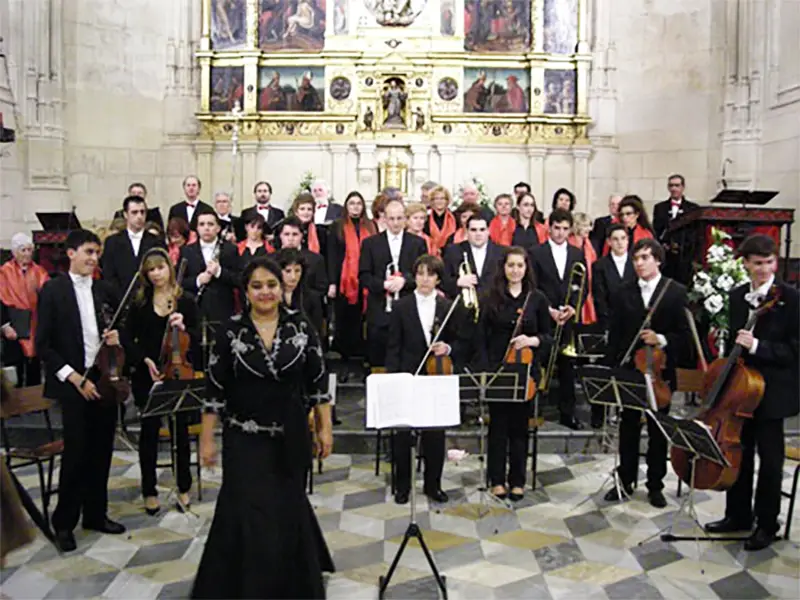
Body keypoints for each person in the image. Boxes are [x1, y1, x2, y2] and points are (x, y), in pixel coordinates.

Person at [192, 257, 334, 598]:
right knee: (247, 512)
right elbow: (215, 389)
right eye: (257, 286)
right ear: (246, 291)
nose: (265, 292)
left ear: (281, 286)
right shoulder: (230, 330)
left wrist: (325, 428)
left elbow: (318, 383)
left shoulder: (300, 326)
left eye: (271, 284)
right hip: (244, 438)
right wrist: (207, 438)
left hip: (291, 438)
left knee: (287, 509)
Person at [705, 234, 799, 551]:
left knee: (770, 462)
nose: (764, 269)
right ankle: (738, 516)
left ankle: (767, 523)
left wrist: (758, 346)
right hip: (741, 392)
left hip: (772, 392)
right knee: (738, 455)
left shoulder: (790, 298)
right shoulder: (736, 297)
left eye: (769, 262)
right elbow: (736, 341)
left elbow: (795, 350)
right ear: (745, 263)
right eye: (757, 263)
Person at [36, 229, 127, 552]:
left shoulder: (104, 289)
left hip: (103, 380)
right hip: (73, 385)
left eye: (97, 253)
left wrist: (117, 339)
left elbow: (118, 329)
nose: (94, 258)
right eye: (88, 251)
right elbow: (42, 346)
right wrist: (75, 378)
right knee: (75, 455)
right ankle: (64, 523)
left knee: (102, 452)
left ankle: (95, 514)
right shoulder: (53, 289)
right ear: (71, 253)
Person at [604, 238, 690, 508]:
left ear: (658, 260)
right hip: (631, 368)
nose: (639, 263)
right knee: (628, 426)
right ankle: (626, 479)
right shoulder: (623, 291)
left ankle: (655, 485)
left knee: (658, 429)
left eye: (644, 258)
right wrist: (612, 368)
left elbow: (685, 336)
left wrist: (661, 338)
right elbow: (615, 335)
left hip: (659, 371)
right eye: (636, 259)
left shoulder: (675, 292)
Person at [125, 248, 199, 515]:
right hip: (148, 375)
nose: (157, 274)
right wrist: (145, 360)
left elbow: (198, 340)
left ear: (170, 267)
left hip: (178, 373)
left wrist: (184, 328)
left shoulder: (186, 302)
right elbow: (127, 339)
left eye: (161, 268)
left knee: (181, 434)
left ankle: (183, 487)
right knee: (149, 434)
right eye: (151, 270)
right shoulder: (140, 303)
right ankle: (149, 490)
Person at [475, 247, 551, 501]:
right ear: (503, 268)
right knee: (498, 427)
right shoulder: (490, 296)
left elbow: (549, 337)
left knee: (520, 428)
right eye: (511, 265)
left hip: (526, 372)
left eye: (520, 265)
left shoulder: (537, 298)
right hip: (499, 370)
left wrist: (533, 340)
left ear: (526, 268)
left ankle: (517, 480)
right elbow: (482, 337)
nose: (515, 270)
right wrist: (486, 370)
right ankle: (497, 479)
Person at [385, 255, 458, 505]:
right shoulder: (401, 306)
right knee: (403, 436)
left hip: (436, 377)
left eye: (430, 274)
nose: (425, 279)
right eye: (420, 273)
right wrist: (395, 379)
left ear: (438, 278)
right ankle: (402, 486)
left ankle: (433, 484)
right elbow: (393, 346)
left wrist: (447, 348)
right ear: (414, 276)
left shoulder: (447, 307)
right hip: (408, 375)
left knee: (435, 435)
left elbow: (460, 342)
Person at [531, 209, 586, 430]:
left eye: (565, 229)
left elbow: (583, 284)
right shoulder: (536, 253)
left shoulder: (577, 253)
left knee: (567, 367)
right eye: (557, 228)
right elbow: (533, 285)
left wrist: (573, 307)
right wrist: (549, 310)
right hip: (545, 317)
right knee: (539, 363)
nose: (561, 233)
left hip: (567, 319)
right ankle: (535, 410)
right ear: (549, 227)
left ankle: (567, 413)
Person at [359, 199, 427, 370]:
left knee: (408, 357)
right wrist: (383, 284)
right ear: (384, 219)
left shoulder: (417, 243)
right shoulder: (370, 244)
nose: (395, 223)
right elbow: (364, 276)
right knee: (380, 359)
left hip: (409, 309)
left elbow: (424, 274)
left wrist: (404, 281)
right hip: (380, 311)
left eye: (399, 218)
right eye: (391, 218)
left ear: (405, 219)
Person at [327, 192, 375, 376]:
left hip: (365, 279)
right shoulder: (337, 227)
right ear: (346, 206)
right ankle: (344, 360)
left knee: (363, 320)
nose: (355, 207)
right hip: (343, 281)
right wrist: (332, 282)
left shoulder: (371, 226)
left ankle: (360, 359)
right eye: (352, 203)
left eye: (358, 204)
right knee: (344, 320)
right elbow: (332, 257)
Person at [0, 233, 49, 387]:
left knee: (34, 366)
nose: (27, 254)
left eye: (29, 250)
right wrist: (5, 326)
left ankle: (34, 404)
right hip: (13, 324)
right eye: (23, 250)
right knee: (14, 368)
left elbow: (47, 298)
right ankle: (14, 406)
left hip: (35, 322)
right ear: (15, 252)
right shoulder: (4, 272)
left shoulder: (40, 272)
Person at [180, 213, 241, 325]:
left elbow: (239, 280)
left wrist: (219, 272)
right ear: (197, 228)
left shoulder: (230, 250)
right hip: (195, 310)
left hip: (222, 311)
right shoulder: (186, 251)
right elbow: (179, 282)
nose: (206, 228)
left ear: (218, 228)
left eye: (210, 224)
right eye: (202, 224)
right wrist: (198, 280)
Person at [101, 195, 166, 293]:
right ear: (125, 214)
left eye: (142, 212)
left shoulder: (157, 241)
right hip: (120, 299)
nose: (139, 216)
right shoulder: (112, 242)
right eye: (134, 212)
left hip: (150, 298)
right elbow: (108, 274)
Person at [442, 215, 504, 300]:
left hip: (495, 308)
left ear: (488, 231)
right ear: (467, 231)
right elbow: (443, 281)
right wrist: (457, 282)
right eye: (473, 230)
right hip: (463, 308)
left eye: (482, 229)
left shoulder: (502, 252)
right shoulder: (453, 251)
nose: (478, 234)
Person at [653, 175, 700, 284]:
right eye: (671, 186)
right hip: (666, 258)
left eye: (677, 185)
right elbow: (656, 230)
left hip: (685, 258)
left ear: (683, 187)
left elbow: (695, 233)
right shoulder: (660, 208)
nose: (674, 188)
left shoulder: (693, 209)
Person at [277, 248, 323, 336]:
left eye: (297, 271)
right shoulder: (271, 297)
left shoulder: (312, 298)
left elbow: (317, 332)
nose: (293, 277)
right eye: (288, 271)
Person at [568, 212, 597, 327]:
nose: (589, 229)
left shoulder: (588, 244)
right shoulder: (570, 243)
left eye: (589, 225)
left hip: (586, 287)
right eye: (585, 226)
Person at [423, 185, 457, 252]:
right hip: (430, 252)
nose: (439, 201)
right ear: (432, 201)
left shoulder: (455, 218)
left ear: (447, 201)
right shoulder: (426, 218)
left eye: (442, 198)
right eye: (436, 198)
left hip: (449, 253)